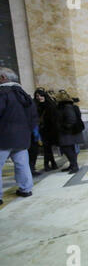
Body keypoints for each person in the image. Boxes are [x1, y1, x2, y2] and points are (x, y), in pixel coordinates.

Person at [0, 67, 39, 205]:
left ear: (3, 78)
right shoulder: (25, 95)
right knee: (22, 165)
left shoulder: (2, 93)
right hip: (22, 137)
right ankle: (26, 189)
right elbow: (34, 118)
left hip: (3, 137)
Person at [55, 90, 85, 174]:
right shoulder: (66, 106)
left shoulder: (66, 107)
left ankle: (74, 166)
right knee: (70, 149)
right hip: (70, 132)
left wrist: (63, 127)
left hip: (69, 132)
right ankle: (72, 165)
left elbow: (71, 120)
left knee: (67, 149)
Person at [33, 89, 59, 172]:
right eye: (37, 96)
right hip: (41, 130)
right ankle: (50, 164)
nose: (39, 97)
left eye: (41, 95)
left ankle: (50, 164)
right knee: (47, 148)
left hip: (50, 129)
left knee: (47, 148)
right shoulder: (35, 106)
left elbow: (54, 118)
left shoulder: (50, 105)